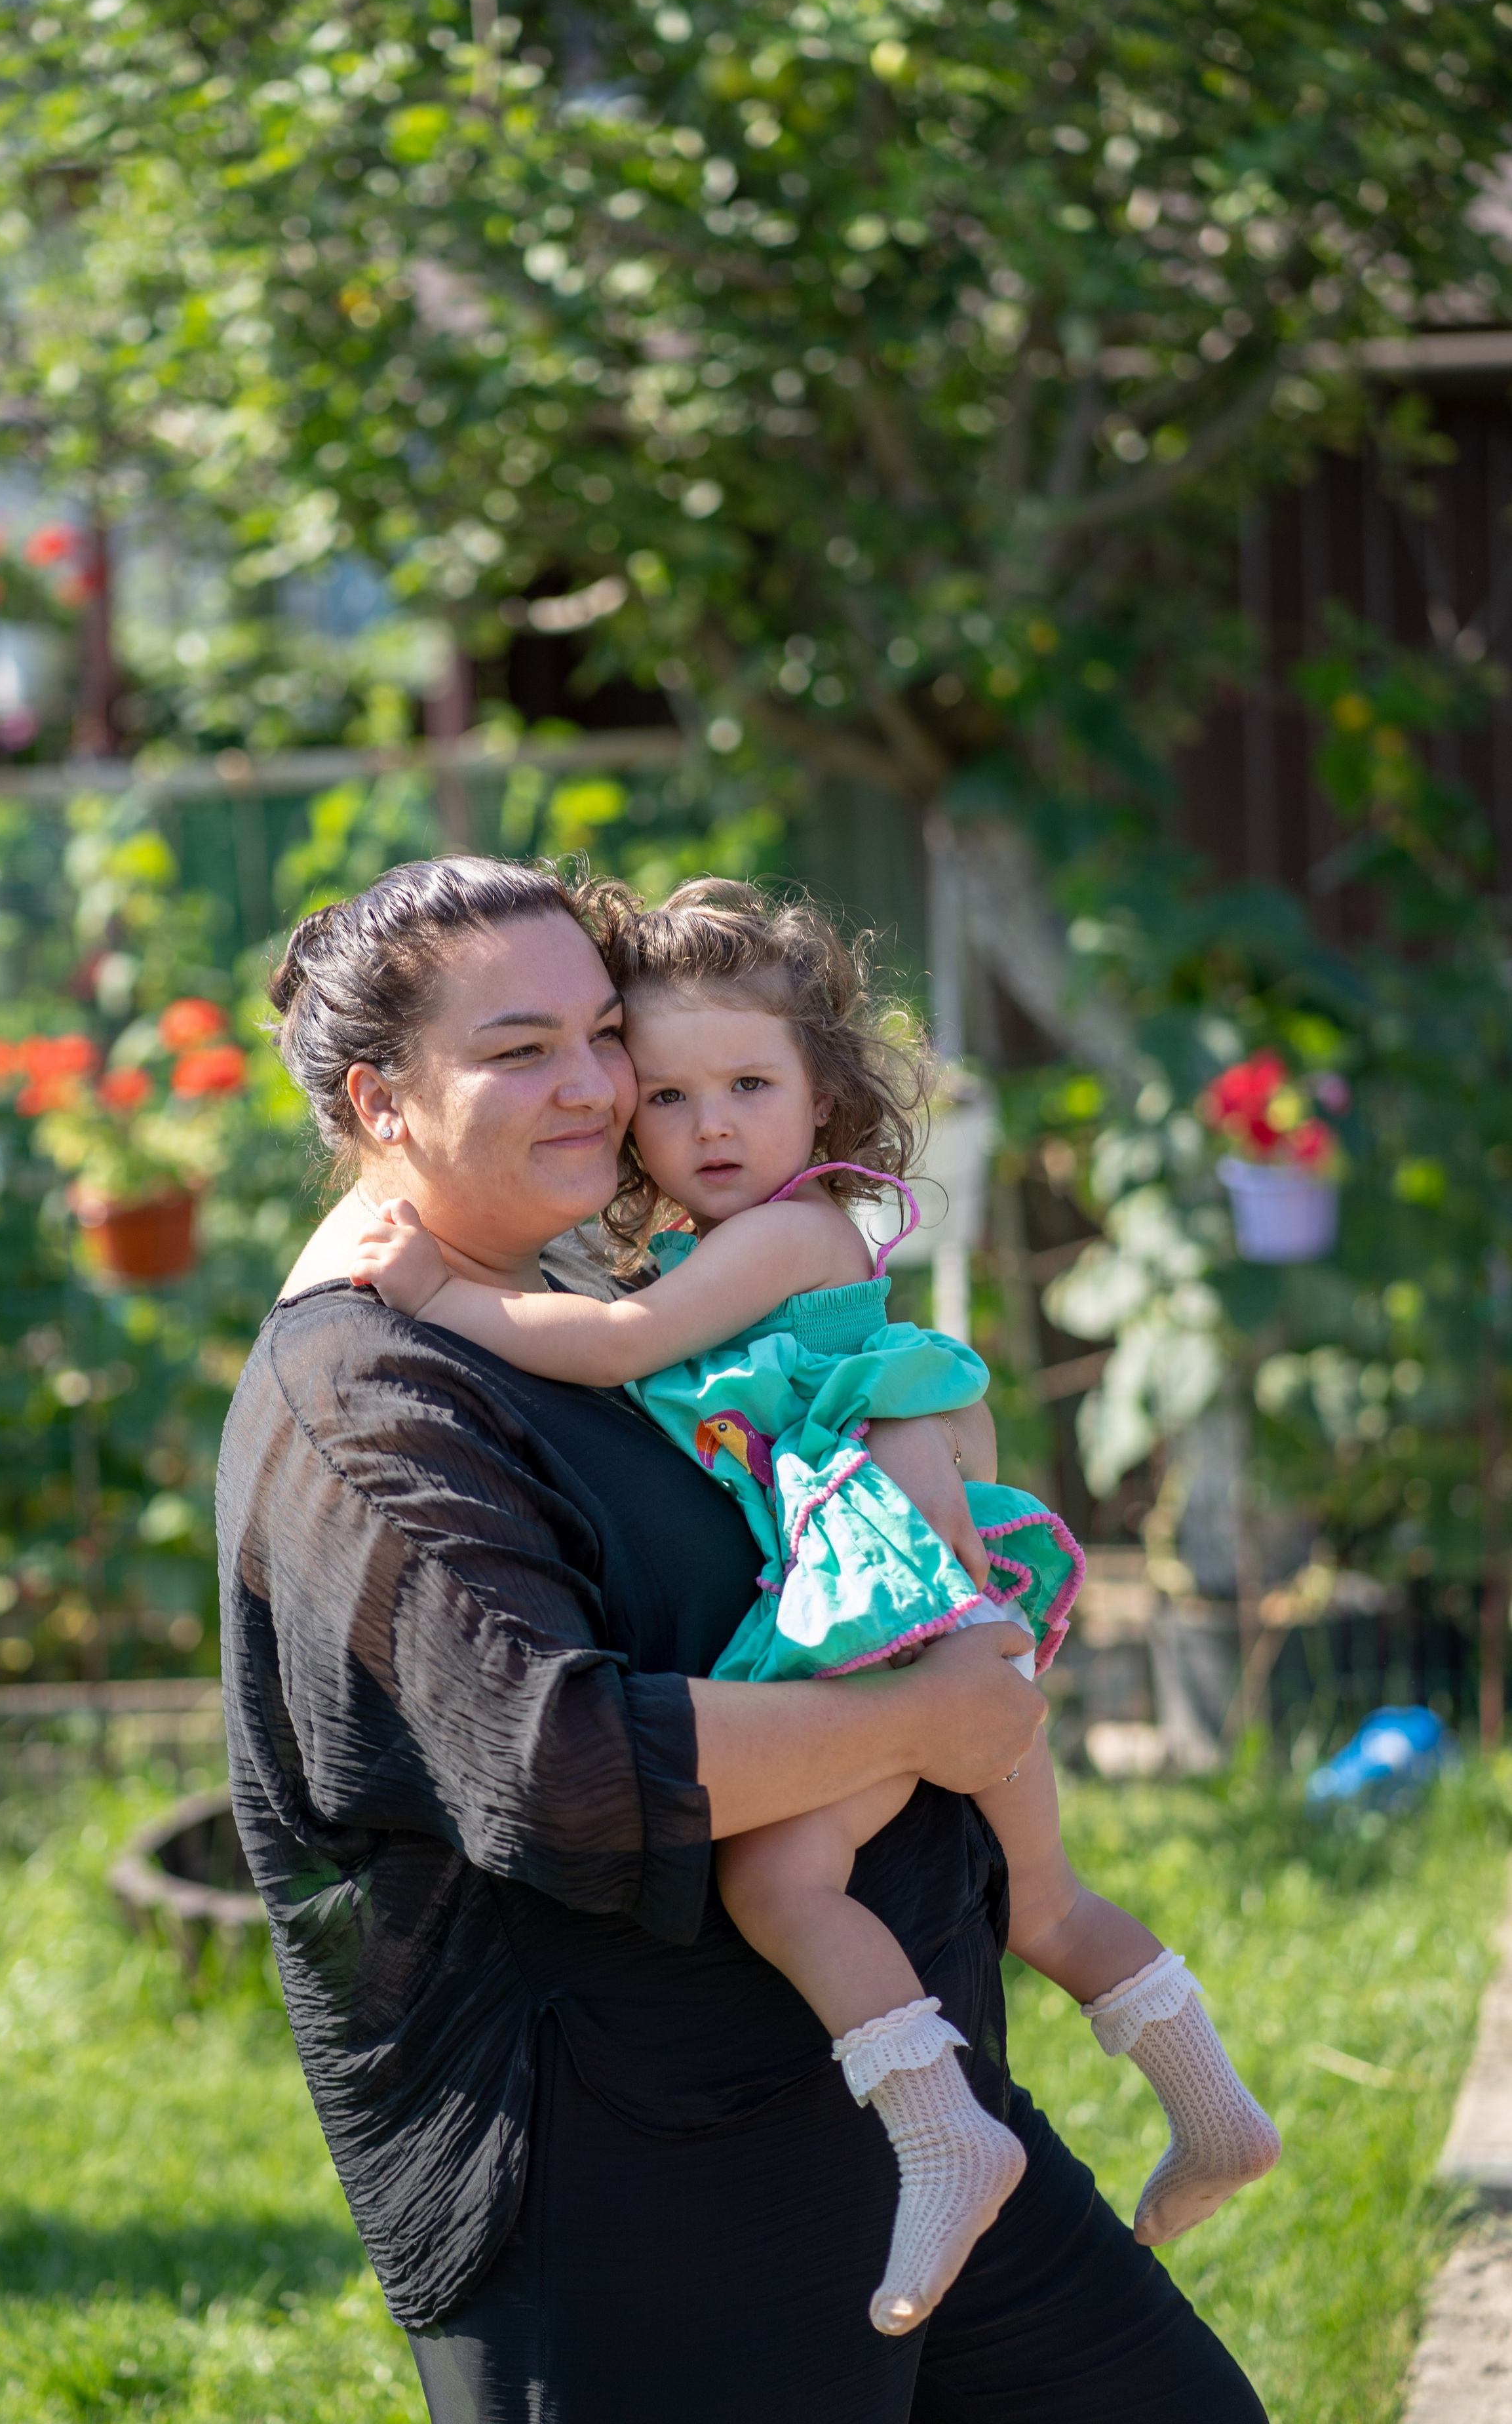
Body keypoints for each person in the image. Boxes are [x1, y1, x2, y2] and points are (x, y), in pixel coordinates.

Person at [218, 851, 1269, 2423]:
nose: (593, 1086)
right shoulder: (370, 1397)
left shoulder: (599, 1283)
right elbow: (562, 1767)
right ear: (379, 1103)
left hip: (893, 2108)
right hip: (649, 2196)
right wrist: (921, 1722)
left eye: (600, 1037)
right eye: (520, 1053)